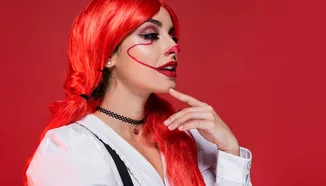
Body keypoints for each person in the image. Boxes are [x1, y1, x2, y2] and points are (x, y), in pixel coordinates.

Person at [25, 0, 252, 185]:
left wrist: (229, 151)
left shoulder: (187, 139)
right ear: (107, 55)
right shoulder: (71, 149)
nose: (173, 46)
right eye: (150, 35)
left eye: (173, 36)